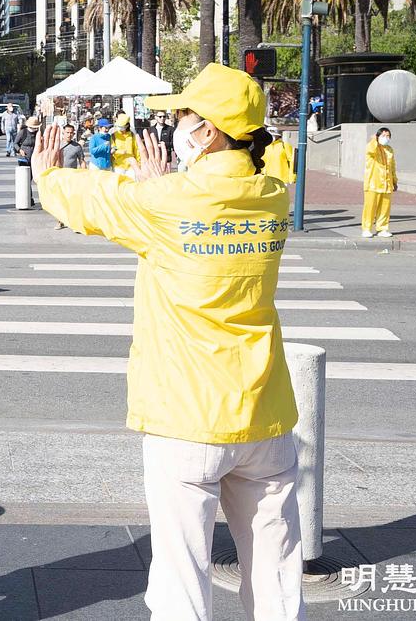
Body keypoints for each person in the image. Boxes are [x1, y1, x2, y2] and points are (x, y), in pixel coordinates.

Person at [32, 62, 305, 621]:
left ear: (206, 129)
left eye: (183, 115)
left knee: (183, 579)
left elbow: (91, 200)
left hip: (187, 417)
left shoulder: (166, 205)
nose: (174, 125)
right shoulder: (273, 198)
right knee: (276, 575)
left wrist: (48, 174)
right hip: (265, 410)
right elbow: (200, 206)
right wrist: (164, 186)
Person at [362, 127, 397, 238]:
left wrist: (394, 181)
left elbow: (392, 167)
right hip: (373, 183)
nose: (386, 138)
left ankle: (382, 228)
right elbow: (371, 150)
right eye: (383, 135)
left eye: (388, 136)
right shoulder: (373, 147)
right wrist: (374, 140)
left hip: (387, 184)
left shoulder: (389, 150)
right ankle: (366, 229)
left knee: (385, 208)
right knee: (370, 207)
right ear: (378, 136)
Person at [54, 124, 86, 230]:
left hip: (72, 177)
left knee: (72, 200)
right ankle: (60, 221)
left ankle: (73, 222)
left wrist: (84, 172)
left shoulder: (77, 147)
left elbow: (81, 160)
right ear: (63, 133)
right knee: (60, 199)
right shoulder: (57, 145)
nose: (69, 134)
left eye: (71, 133)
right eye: (67, 132)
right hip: (59, 176)